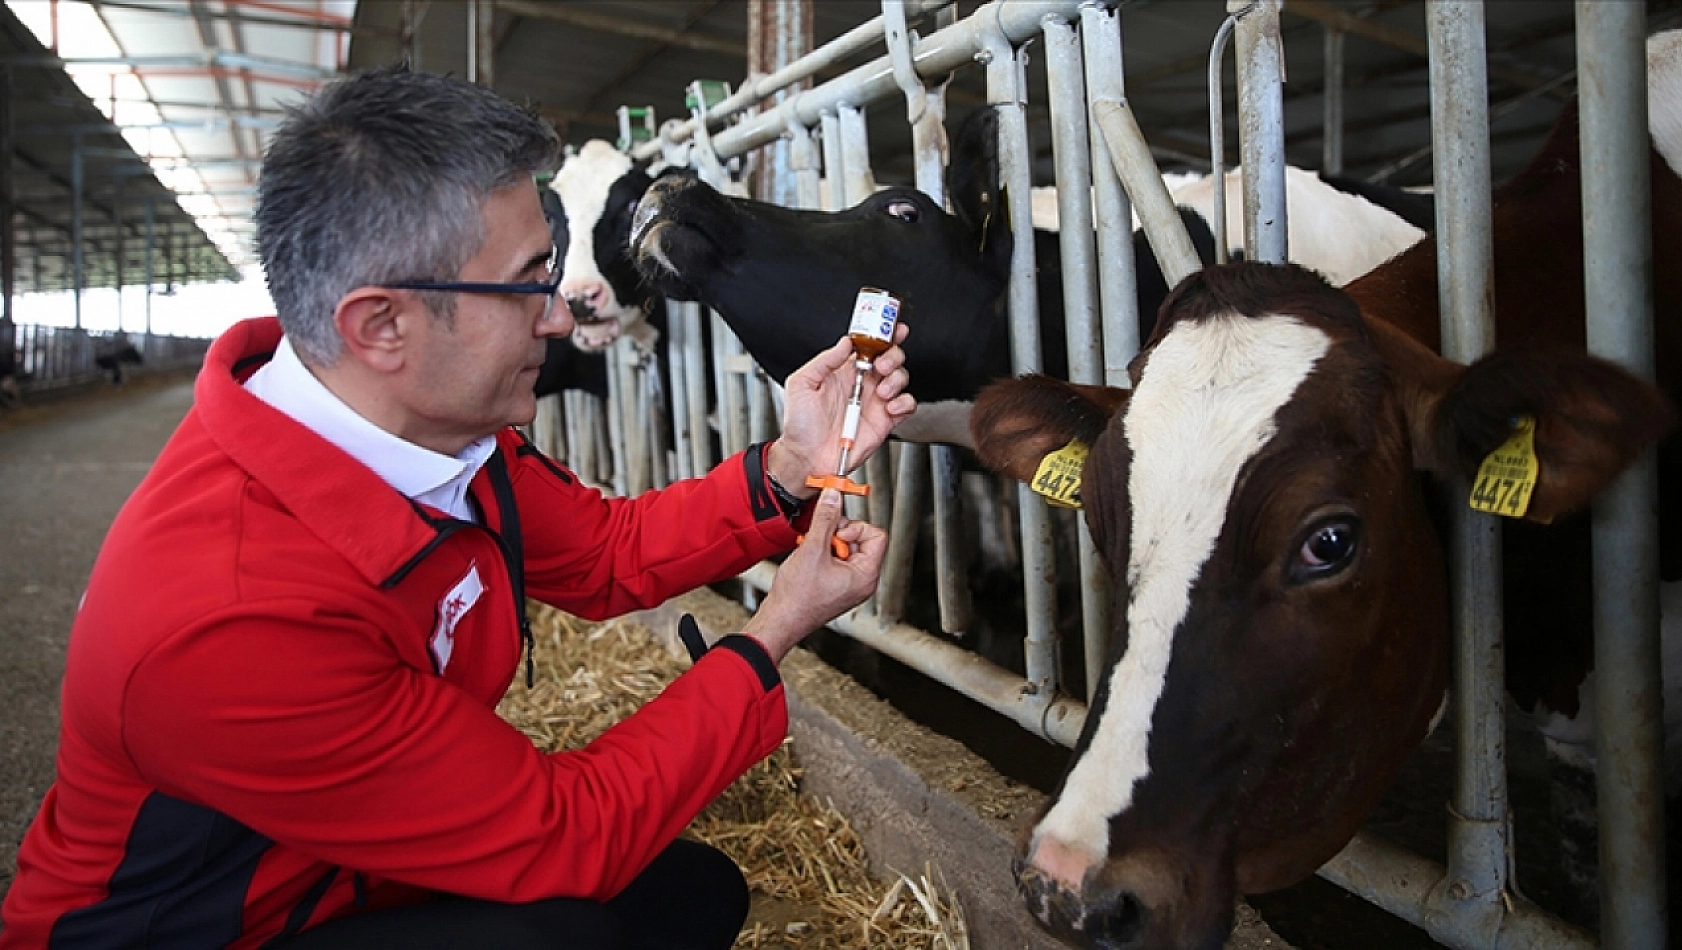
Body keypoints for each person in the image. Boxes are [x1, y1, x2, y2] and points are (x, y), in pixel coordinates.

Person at [0, 65, 915, 950]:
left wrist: (793, 466)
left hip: (340, 866)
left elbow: (606, 553)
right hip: (221, 925)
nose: (558, 317)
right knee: (568, 927)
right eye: (527, 283)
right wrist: (778, 625)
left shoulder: (432, 431)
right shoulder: (228, 618)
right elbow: (562, 837)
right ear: (381, 326)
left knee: (688, 896)